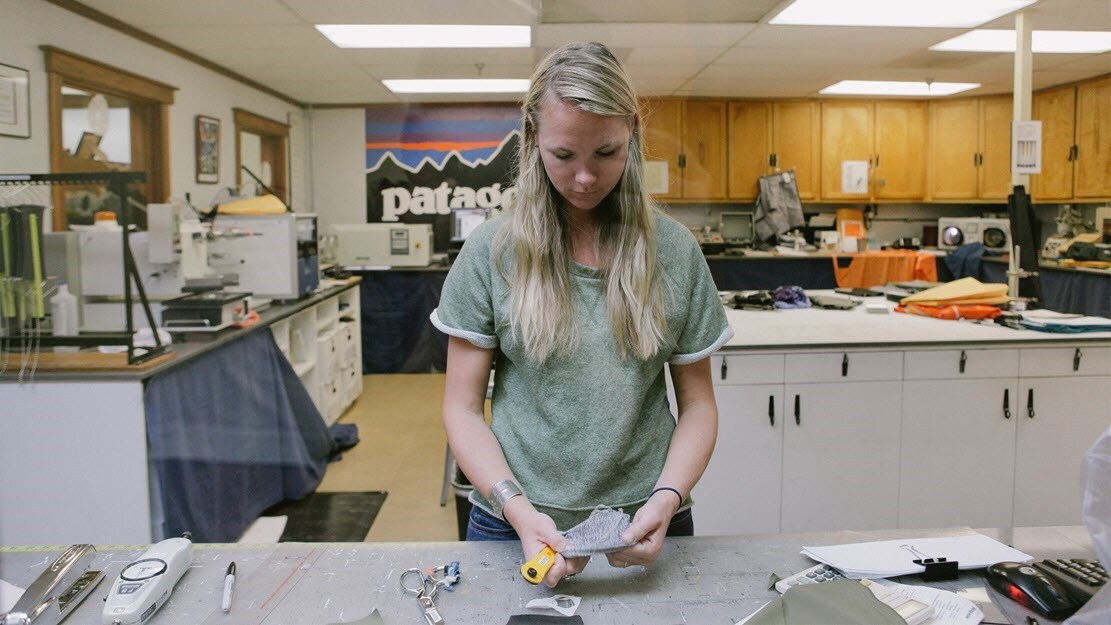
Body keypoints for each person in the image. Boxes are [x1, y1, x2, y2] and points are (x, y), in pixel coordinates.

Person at [430, 41, 732, 588]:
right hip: (512, 523)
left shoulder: (675, 252)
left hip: (648, 524)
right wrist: (518, 510)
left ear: (633, 135)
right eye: (564, 156)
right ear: (532, 138)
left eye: (607, 153)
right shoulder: (493, 252)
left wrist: (668, 498)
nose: (586, 178)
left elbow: (699, 406)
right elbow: (462, 410)